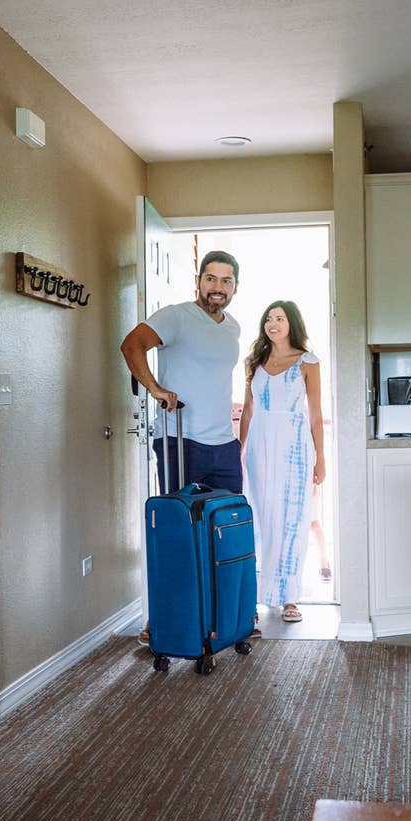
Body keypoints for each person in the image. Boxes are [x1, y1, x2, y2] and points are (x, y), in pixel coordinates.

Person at [121, 250, 249, 646]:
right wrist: (156, 389)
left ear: (235, 286)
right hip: (180, 439)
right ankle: (164, 622)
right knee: (180, 535)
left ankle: (225, 620)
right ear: (198, 281)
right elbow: (131, 345)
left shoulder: (233, 327)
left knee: (226, 531)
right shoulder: (175, 317)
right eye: (211, 278)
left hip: (223, 443)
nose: (217, 287)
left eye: (226, 281)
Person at [239, 301, 325, 622]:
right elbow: (248, 410)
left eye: (280, 318)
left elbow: (315, 415)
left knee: (292, 517)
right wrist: (239, 450)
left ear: (292, 324)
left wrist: (320, 459)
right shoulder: (253, 362)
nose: (273, 323)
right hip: (259, 447)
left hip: (295, 446)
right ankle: (255, 596)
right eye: (269, 318)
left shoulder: (308, 362)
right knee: (261, 516)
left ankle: (289, 597)